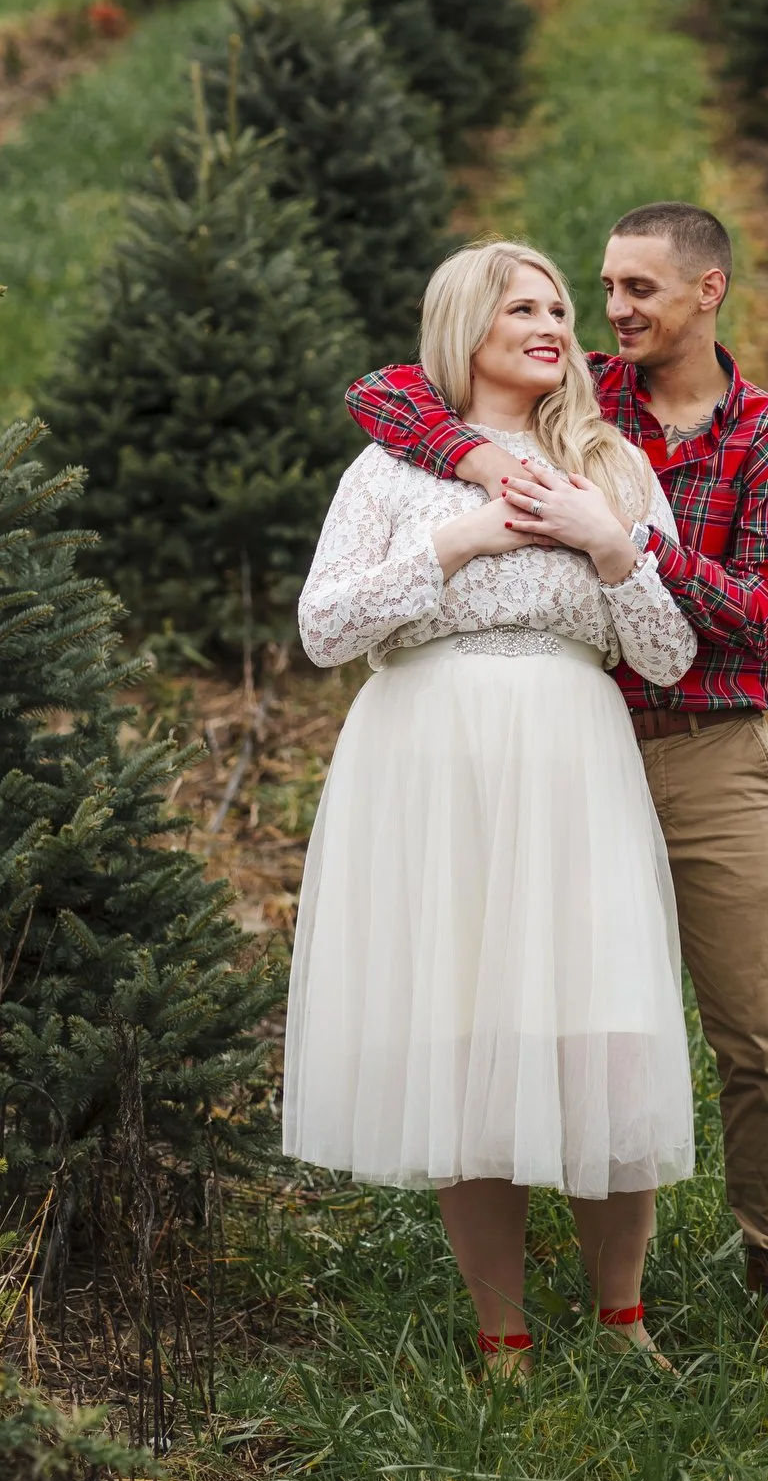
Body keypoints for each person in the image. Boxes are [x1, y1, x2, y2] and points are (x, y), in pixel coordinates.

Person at [347, 201, 768, 1329]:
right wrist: (470, 464)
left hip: (703, 746)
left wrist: (621, 538)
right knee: (531, 1004)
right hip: (564, 753)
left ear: (709, 291)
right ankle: (535, 1298)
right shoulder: (578, 396)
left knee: (750, 1027)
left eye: (635, 291)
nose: (610, 311)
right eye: (598, 288)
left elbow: (764, 614)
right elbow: (392, 391)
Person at [287, 240, 698, 1373]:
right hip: (430, 761)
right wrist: (455, 539)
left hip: (571, 757)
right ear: (464, 325)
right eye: (525, 304)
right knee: (465, 1035)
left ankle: (623, 1318)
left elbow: (665, 656)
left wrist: (614, 548)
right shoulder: (389, 471)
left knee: (603, 1028)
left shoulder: (609, 465)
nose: (556, 322)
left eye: (562, 306)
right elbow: (325, 629)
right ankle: (503, 1333)